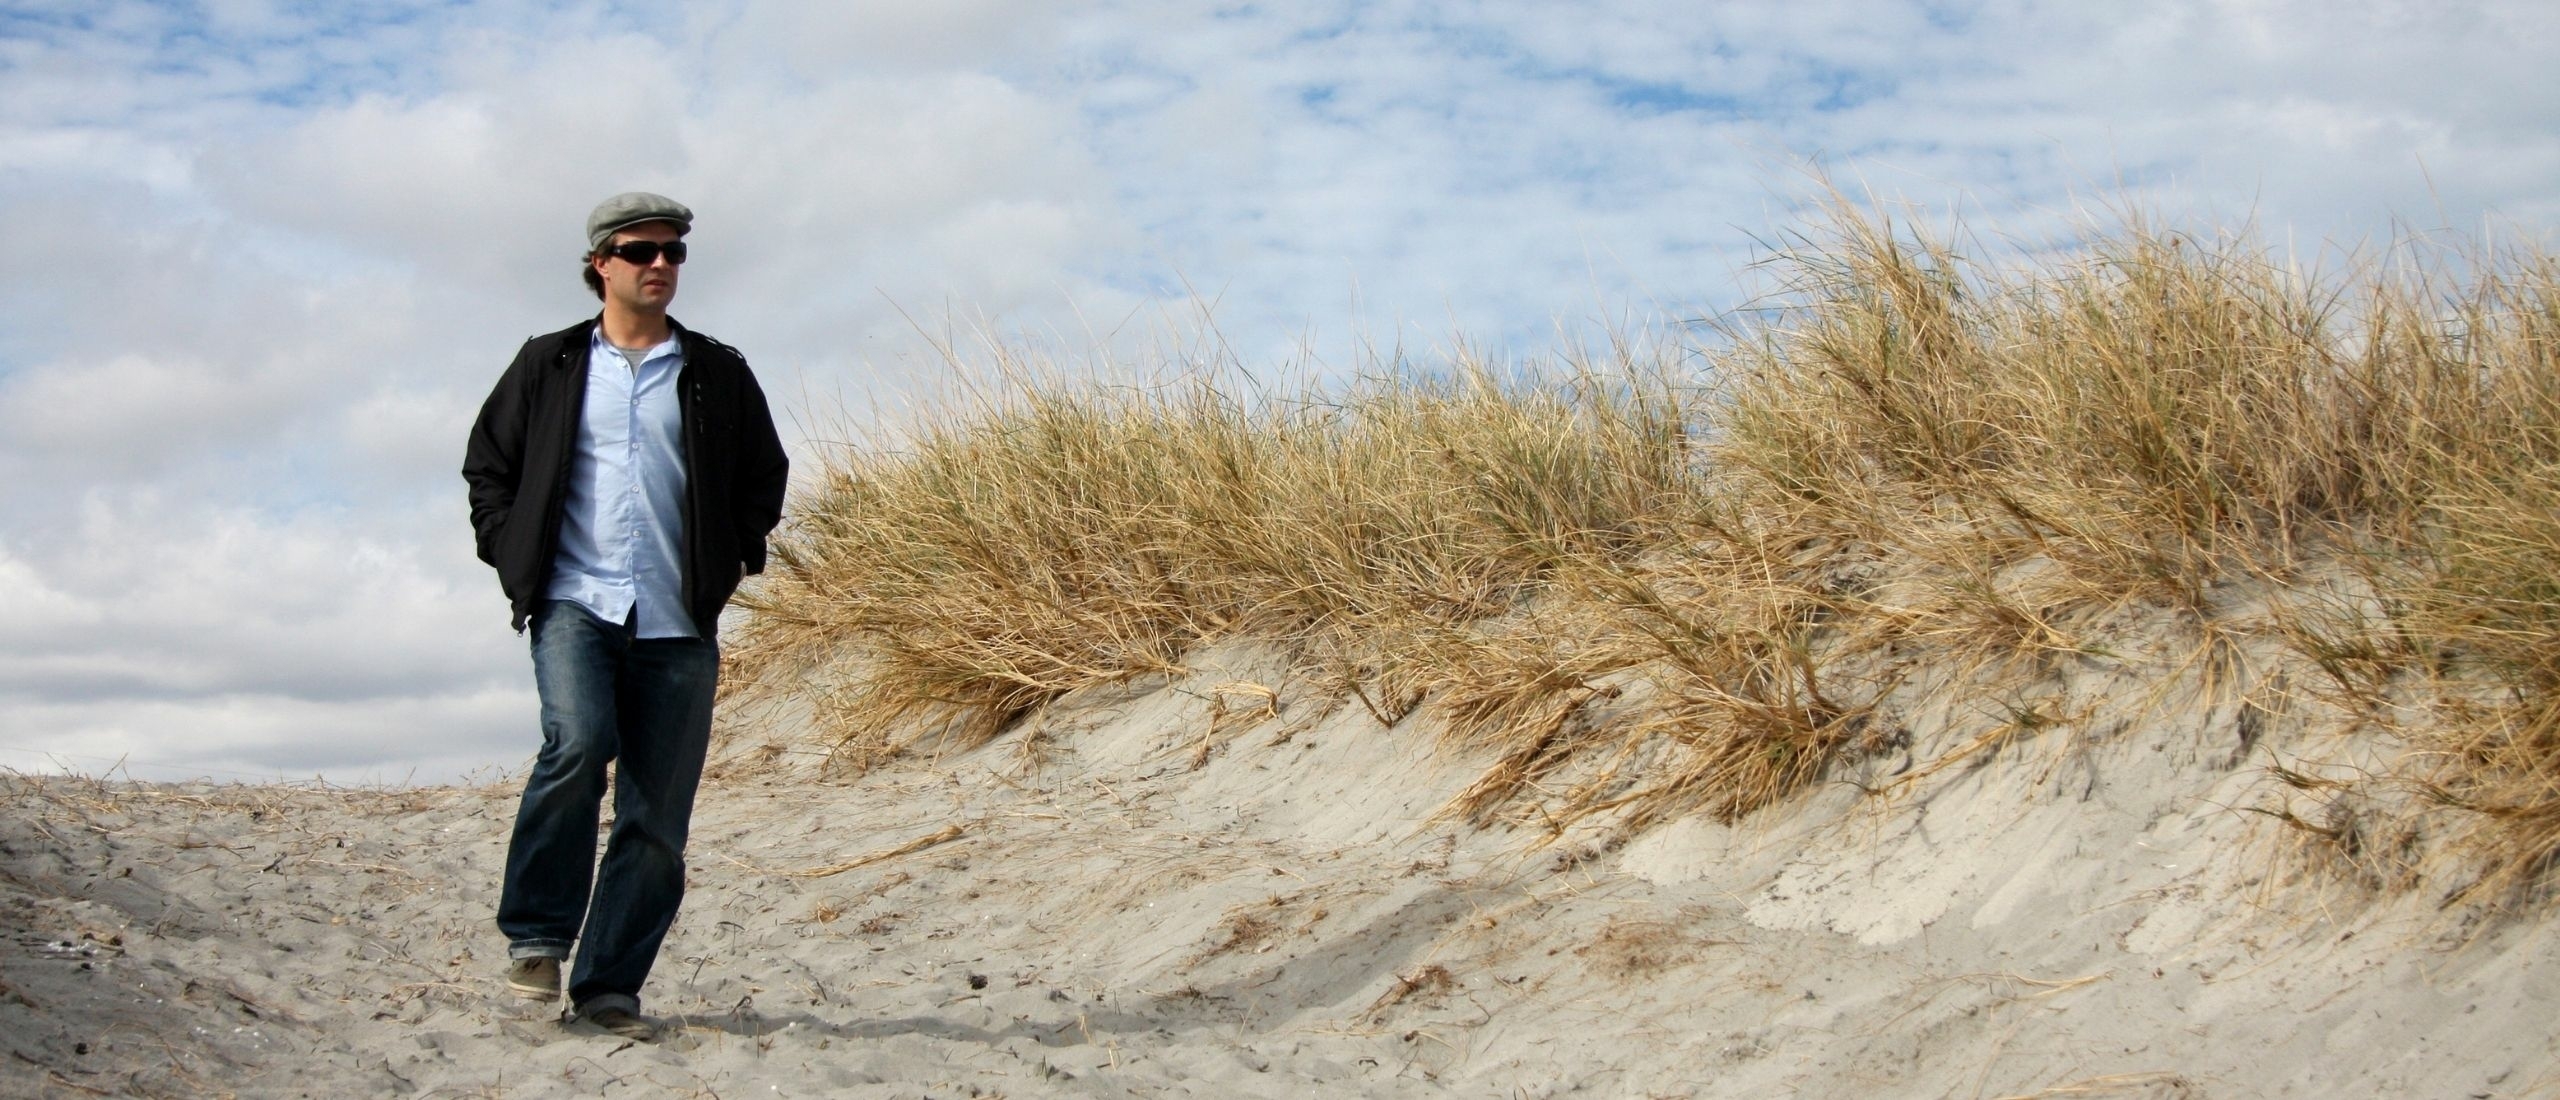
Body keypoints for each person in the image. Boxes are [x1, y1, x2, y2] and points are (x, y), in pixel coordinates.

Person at [461, 192, 789, 1040]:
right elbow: (488, 466)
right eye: (642, 250)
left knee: (657, 815)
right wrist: (509, 551)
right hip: (575, 597)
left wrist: (734, 555)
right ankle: (536, 937)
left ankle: (609, 984)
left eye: (675, 253)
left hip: (678, 616)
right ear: (601, 263)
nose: (660, 266)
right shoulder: (550, 363)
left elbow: (764, 475)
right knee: (576, 744)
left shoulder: (716, 370)